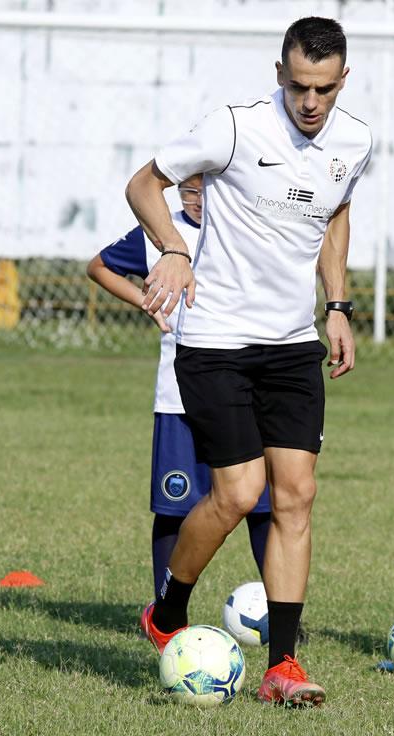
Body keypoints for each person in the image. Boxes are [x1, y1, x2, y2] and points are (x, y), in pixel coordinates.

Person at [125, 16, 372, 707]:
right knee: (237, 493)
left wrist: (338, 305)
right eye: (299, 86)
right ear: (279, 74)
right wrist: (173, 245)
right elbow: (143, 185)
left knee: (295, 495)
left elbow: (336, 211)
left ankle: (283, 665)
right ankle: (166, 612)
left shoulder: (355, 142)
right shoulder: (233, 127)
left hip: (293, 345)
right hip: (216, 343)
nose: (311, 101)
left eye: (324, 88)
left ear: (343, 80)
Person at [85, 176, 271, 596]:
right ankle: (165, 611)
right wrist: (147, 302)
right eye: (190, 192)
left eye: (208, 190)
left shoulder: (248, 227)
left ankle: (283, 617)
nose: (200, 201)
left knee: (263, 508)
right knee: (175, 507)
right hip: (180, 393)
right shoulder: (160, 234)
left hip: (246, 390)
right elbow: (98, 267)